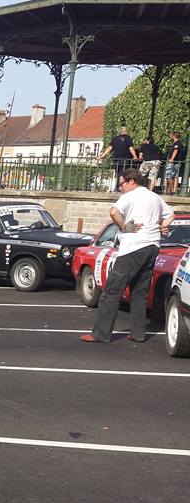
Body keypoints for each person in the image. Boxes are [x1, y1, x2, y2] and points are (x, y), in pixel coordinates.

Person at [81, 169, 175, 344]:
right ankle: (138, 334)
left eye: (121, 183)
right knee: (139, 292)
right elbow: (171, 215)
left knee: (112, 291)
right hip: (152, 246)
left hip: (133, 246)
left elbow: (113, 212)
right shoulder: (155, 197)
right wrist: (162, 226)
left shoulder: (130, 196)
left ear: (131, 181)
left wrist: (124, 227)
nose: (120, 187)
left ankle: (101, 334)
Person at [165, 131, 186, 195]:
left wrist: (172, 159)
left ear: (174, 136)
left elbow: (175, 151)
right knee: (174, 176)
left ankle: (172, 190)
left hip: (174, 162)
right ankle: (172, 191)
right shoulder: (178, 143)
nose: (170, 136)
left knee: (168, 175)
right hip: (176, 162)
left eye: (171, 135)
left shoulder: (177, 143)